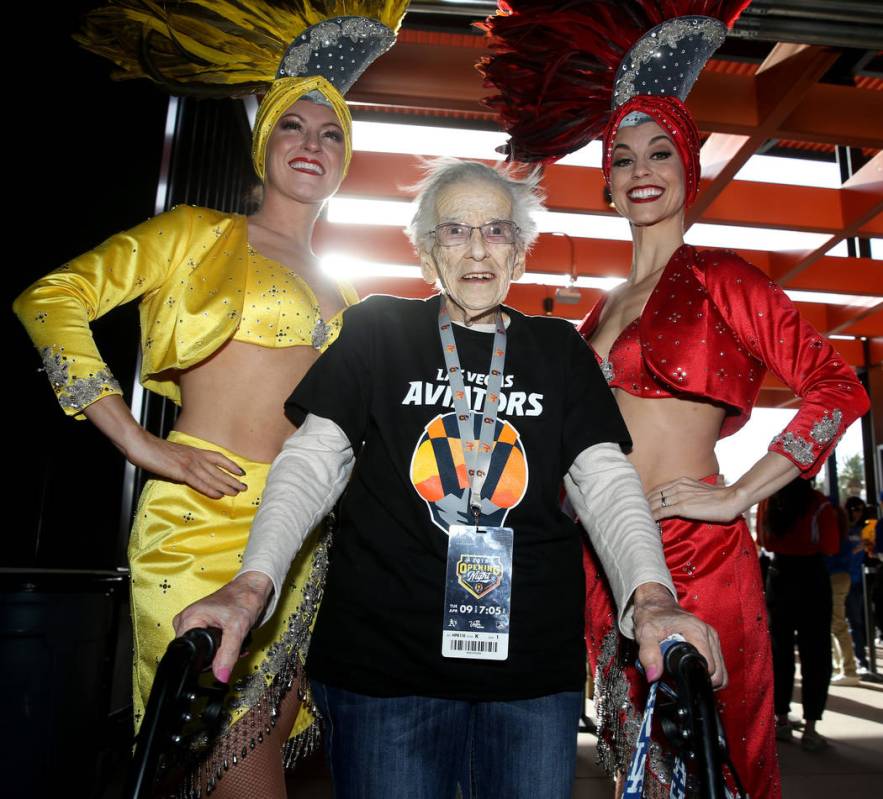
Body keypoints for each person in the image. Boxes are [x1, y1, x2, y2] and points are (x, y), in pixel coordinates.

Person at [173, 158, 726, 798]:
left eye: (496, 230)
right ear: (427, 250)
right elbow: (313, 461)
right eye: (454, 232)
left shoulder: (559, 350)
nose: (477, 249)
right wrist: (251, 583)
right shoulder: (376, 329)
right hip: (384, 671)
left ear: (519, 251)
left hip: (529, 676)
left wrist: (652, 597)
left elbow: (604, 482)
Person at [13, 1, 409, 796]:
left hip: (303, 542)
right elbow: (49, 298)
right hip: (202, 524)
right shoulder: (197, 232)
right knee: (232, 768)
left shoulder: (351, 290)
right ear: (264, 143)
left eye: (331, 133)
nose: (312, 145)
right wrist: (138, 442)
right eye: (293, 127)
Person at [479, 2, 870, 796]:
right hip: (602, 555)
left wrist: (737, 494)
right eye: (622, 158)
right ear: (607, 183)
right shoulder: (597, 309)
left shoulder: (723, 278)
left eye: (659, 151)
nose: (640, 169)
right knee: (638, 763)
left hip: (698, 554)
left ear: (688, 166)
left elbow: (836, 389)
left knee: (715, 755)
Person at [757, 478, 840, 751]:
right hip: (811, 578)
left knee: (779, 651)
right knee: (816, 652)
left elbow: (763, 541)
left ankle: (781, 719)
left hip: (779, 577)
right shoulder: (819, 503)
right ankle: (811, 728)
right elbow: (830, 546)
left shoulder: (768, 501)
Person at [828, 496, 869, 683]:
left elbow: (837, 556)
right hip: (842, 578)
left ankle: (849, 668)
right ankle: (843, 666)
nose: (857, 512)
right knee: (836, 624)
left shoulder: (838, 533)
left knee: (839, 624)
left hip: (839, 578)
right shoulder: (843, 531)